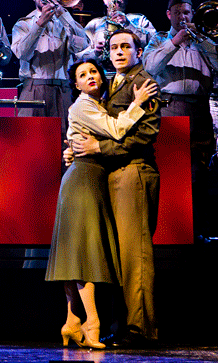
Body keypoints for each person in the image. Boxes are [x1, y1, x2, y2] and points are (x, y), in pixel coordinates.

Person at [46, 57, 157, 349]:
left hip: (90, 176)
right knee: (85, 253)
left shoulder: (96, 104)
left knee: (77, 253)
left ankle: (72, 322)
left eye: (94, 71)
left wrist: (72, 149)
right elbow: (117, 129)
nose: (90, 76)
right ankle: (90, 323)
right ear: (76, 84)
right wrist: (139, 102)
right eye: (83, 74)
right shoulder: (84, 105)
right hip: (83, 179)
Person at [70, 28, 161, 346]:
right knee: (119, 257)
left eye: (126, 46)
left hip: (133, 173)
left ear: (138, 50)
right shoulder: (111, 84)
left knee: (135, 255)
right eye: (114, 47)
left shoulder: (143, 83)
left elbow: (144, 135)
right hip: (111, 177)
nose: (119, 51)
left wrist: (99, 149)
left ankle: (141, 329)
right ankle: (122, 326)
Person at [143, 0, 218, 237]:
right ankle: (169, 230)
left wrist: (203, 41)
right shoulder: (158, 39)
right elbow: (150, 66)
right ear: (168, 14)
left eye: (186, 12)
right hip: (170, 107)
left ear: (192, 13)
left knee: (199, 170)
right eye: (177, 13)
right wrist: (175, 42)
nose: (182, 17)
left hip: (199, 108)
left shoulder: (203, 40)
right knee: (171, 170)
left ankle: (196, 230)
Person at [12, 0, 89, 135]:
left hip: (62, 90)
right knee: (31, 139)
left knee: (64, 141)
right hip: (33, 88)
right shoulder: (23, 24)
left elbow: (82, 45)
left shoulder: (65, 20)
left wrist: (64, 15)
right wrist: (40, 24)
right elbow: (21, 53)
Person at [78, 0, 156, 68]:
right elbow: (79, 54)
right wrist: (95, 52)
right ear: (105, 0)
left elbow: (154, 42)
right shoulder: (94, 24)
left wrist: (128, 25)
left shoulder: (139, 19)